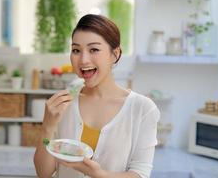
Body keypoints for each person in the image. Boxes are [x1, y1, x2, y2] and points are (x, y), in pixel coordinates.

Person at [34, 14, 160, 178]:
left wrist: (99, 174)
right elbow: (44, 173)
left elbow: (140, 174)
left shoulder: (142, 109)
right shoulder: (64, 104)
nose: (83, 60)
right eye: (76, 50)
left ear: (114, 54)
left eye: (94, 49)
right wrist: (47, 128)